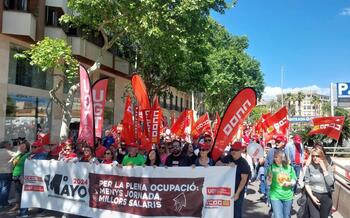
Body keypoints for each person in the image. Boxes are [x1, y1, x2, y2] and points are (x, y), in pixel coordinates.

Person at [216, 141, 251, 218]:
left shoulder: (243, 163)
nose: (233, 152)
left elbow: (244, 180)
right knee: (224, 211)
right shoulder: (228, 157)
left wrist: (237, 193)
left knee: (236, 212)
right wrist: (226, 165)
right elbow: (217, 164)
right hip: (225, 190)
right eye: (232, 150)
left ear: (241, 151)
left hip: (237, 191)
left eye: (236, 150)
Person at [304, 146, 334, 218]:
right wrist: (312, 197)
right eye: (313, 156)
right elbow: (307, 183)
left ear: (322, 156)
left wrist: (324, 169)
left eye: (317, 156)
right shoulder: (310, 167)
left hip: (325, 197)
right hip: (313, 195)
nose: (315, 158)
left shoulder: (328, 167)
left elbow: (330, 183)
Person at [266, 149, 296, 218]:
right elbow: (268, 183)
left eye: (277, 157)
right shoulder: (271, 167)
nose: (275, 158)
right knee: (278, 216)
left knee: (286, 216)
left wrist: (290, 183)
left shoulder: (289, 168)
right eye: (274, 157)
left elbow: (294, 180)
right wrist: (269, 179)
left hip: (287, 196)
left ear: (282, 158)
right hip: (275, 196)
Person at [10, 140, 30, 216]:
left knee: (24, 195)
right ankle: (20, 208)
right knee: (18, 194)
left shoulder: (28, 154)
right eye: (20, 146)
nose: (21, 147)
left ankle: (24, 213)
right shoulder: (19, 154)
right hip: (15, 176)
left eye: (23, 146)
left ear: (27, 148)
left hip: (22, 177)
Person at [0, 141, 16, 208]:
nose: (10, 146)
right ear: (6, 145)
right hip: (6, 172)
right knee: (5, 188)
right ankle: (3, 204)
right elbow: (18, 154)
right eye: (9, 144)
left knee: (1, 188)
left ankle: (2, 203)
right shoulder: (8, 152)